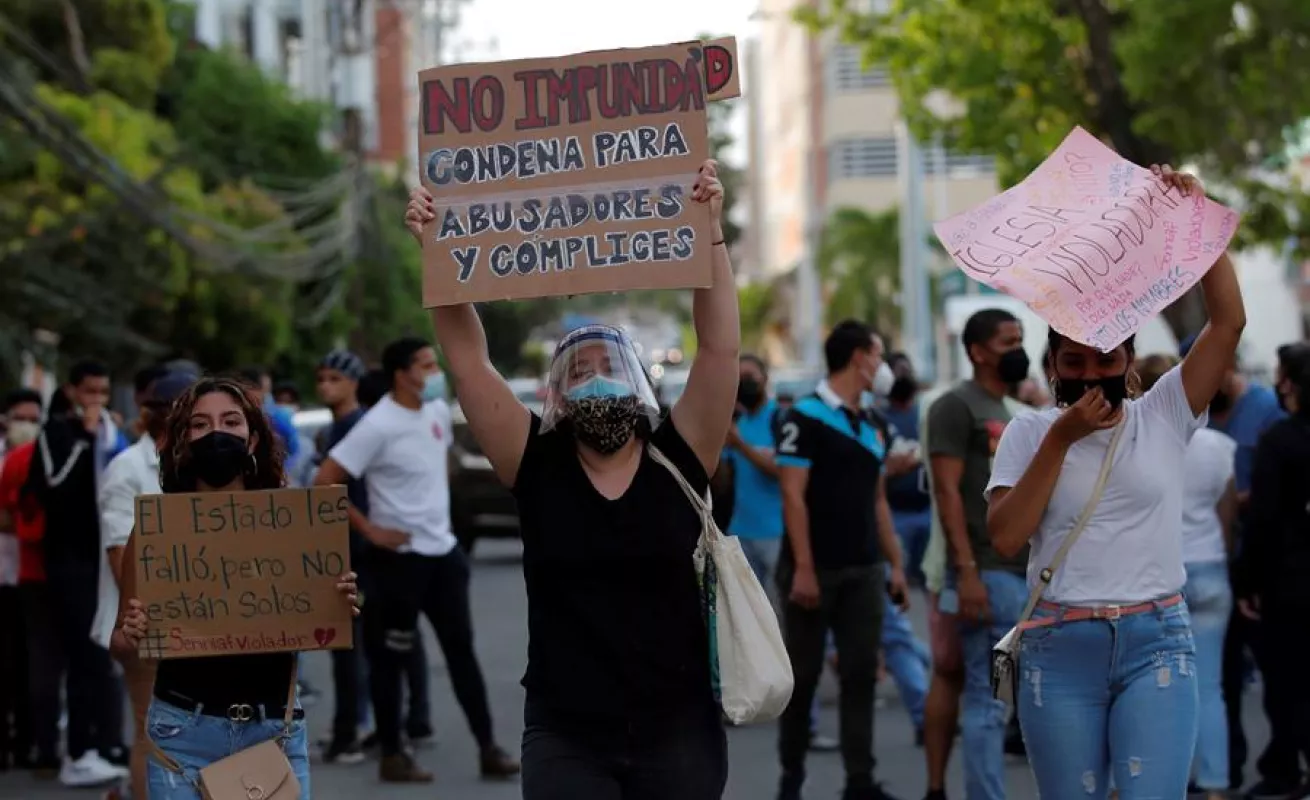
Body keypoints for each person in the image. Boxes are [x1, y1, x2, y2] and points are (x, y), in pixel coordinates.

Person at [403, 159, 736, 798]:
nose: (596, 379)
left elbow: (719, 348)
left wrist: (711, 231)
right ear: (556, 394)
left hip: (680, 730)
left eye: (609, 366)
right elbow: (469, 363)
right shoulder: (535, 463)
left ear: (638, 383)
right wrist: (438, 252)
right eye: (579, 371)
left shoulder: (680, 454)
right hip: (567, 736)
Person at [985, 165, 1244, 799]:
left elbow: (1227, 324)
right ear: (1053, 365)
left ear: (1128, 363)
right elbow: (1006, 537)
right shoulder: (1028, 433)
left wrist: (1195, 217)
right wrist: (1061, 439)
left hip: (1158, 642)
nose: (1089, 374)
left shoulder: (1164, 412)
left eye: (1105, 360)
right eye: (1074, 361)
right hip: (1058, 645)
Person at [112, 375, 360, 800]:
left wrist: (338, 600)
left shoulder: (293, 525)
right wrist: (132, 634)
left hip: (274, 734)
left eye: (231, 422)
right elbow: (119, 643)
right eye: (201, 424)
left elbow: (323, 622)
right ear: (183, 440)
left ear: (253, 437)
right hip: (181, 735)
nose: (217, 433)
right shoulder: (156, 532)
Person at [315, 338, 517, 784]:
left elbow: (435, 468)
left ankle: (489, 747)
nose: (434, 371)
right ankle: (393, 753)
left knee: (462, 654)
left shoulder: (437, 412)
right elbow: (325, 480)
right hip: (397, 562)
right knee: (390, 660)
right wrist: (371, 530)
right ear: (401, 374)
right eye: (425, 365)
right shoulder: (377, 425)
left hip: (443, 556)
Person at [775, 319, 909, 800]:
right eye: (878, 354)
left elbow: (878, 500)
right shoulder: (803, 417)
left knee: (860, 677)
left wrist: (895, 564)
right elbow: (793, 496)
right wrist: (804, 568)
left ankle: (860, 782)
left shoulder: (873, 423)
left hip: (864, 570)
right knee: (804, 678)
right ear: (858, 357)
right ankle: (791, 777)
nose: (883, 365)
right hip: (813, 571)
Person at [926, 308, 1029, 800]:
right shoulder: (955, 407)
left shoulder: (1008, 410)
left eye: (1020, 340)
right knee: (987, 703)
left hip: (1019, 573)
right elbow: (947, 492)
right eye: (1008, 342)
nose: (1018, 351)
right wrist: (966, 572)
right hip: (986, 574)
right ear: (977, 352)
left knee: (1005, 702)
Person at [1136, 354, 1237, 800]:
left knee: (1154, 688)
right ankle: (1215, 783)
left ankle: (1160, 782)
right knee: (1210, 687)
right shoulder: (1219, 446)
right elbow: (1227, 514)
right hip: (1210, 564)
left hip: (1160, 571)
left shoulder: (1140, 441)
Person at [24, 360, 130, 786]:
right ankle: (79, 750)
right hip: (70, 561)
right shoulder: (56, 433)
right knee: (84, 656)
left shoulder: (110, 433)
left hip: (103, 556)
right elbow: (54, 485)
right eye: (90, 392)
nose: (97, 401)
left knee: (105, 654)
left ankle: (105, 743)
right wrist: (85, 438)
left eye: (103, 393)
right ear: (71, 392)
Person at [94, 370, 193, 800]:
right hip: (144, 627)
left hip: (193, 624)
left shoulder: (196, 466)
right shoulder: (128, 469)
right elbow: (121, 555)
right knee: (151, 733)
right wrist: (154, 613)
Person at [1240, 344, 1310, 798]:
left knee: (1288, 681)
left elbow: (1263, 519)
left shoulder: (1280, 441)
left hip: (1291, 581)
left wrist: (1249, 582)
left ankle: (1285, 767)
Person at [0, 389, 42, 772]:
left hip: (29, 576)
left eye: (33, 419)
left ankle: (28, 742)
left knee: (28, 663)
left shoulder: (41, 459)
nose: (26, 425)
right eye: (20, 418)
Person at [724, 354, 784, 588]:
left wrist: (740, 445)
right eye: (738, 378)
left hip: (775, 534)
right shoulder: (738, 422)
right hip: (740, 532)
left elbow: (780, 471)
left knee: (775, 606)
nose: (743, 383)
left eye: (749, 376)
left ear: (765, 378)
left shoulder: (780, 419)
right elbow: (723, 480)